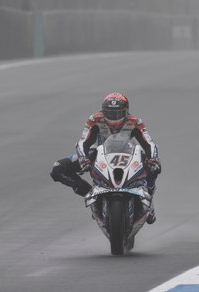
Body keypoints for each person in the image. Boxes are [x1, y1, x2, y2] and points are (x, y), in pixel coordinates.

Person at [50, 92, 162, 224]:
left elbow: (149, 143)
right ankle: (91, 194)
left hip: (128, 153)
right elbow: (83, 141)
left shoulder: (135, 121)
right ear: (103, 111)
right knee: (58, 168)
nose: (114, 118)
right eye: (109, 113)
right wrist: (83, 158)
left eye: (118, 113)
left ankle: (149, 200)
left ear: (126, 112)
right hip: (98, 153)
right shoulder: (94, 119)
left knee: (154, 167)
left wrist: (153, 158)